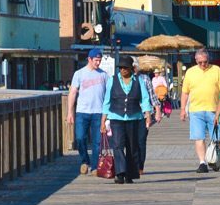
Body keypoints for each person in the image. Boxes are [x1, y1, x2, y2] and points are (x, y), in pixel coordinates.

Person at [103, 55, 154, 184]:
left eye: (125, 68)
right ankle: (120, 173)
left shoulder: (138, 81)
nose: (123, 70)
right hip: (116, 117)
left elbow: (145, 99)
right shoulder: (112, 80)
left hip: (134, 117)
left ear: (132, 68)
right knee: (118, 145)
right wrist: (103, 120)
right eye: (120, 68)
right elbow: (106, 101)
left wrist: (147, 115)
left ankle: (130, 174)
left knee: (132, 147)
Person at [179, 48, 220, 173]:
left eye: (205, 61)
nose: (203, 64)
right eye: (200, 62)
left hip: (214, 110)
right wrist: (183, 109)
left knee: (218, 138)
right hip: (196, 110)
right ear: (196, 61)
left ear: (208, 60)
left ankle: (215, 157)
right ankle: (202, 162)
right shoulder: (190, 72)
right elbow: (185, 92)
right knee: (198, 137)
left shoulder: (216, 70)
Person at [65, 49, 110, 176]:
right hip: (82, 112)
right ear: (89, 59)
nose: (98, 63)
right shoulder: (79, 74)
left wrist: (107, 115)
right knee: (80, 138)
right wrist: (70, 112)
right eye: (96, 60)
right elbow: (72, 93)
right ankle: (85, 161)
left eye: (100, 60)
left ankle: (95, 166)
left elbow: (108, 95)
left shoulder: (104, 75)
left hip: (98, 113)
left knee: (97, 142)